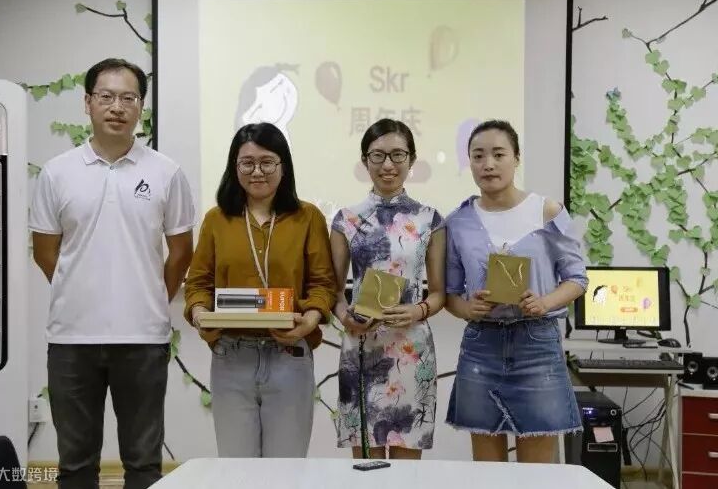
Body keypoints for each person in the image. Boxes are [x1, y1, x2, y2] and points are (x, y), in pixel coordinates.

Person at [30, 58, 195, 489]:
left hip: (143, 339)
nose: (117, 107)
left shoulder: (166, 172)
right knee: (75, 465)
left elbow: (181, 252)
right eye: (106, 96)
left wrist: (148, 296)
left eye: (128, 98)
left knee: (143, 464)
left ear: (141, 107)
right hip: (71, 339)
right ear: (87, 102)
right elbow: (45, 253)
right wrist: (79, 289)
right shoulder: (57, 172)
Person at [184, 122, 336, 458]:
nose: (257, 171)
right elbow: (198, 283)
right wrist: (199, 314)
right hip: (231, 356)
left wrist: (310, 321)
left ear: (283, 166)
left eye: (267, 162)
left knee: (286, 469)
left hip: (289, 356)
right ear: (234, 167)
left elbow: (323, 283)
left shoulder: (307, 217)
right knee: (237, 469)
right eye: (247, 163)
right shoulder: (217, 219)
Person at [444, 119, 588, 463]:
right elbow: (450, 294)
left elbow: (577, 278)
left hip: (536, 344)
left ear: (516, 158)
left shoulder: (549, 211)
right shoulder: (457, 221)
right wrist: (468, 308)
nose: (488, 164)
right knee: (488, 471)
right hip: (481, 346)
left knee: (537, 472)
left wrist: (545, 302)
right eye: (478, 156)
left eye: (498, 154)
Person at [330, 119, 446, 460]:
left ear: (412, 160)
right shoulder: (346, 219)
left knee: (407, 472)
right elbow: (334, 293)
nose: (388, 165)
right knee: (365, 471)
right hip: (361, 346)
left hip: (411, 346)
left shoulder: (429, 219)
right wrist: (346, 317)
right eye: (378, 155)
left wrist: (418, 310)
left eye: (397, 155)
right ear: (365, 161)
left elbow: (439, 293)